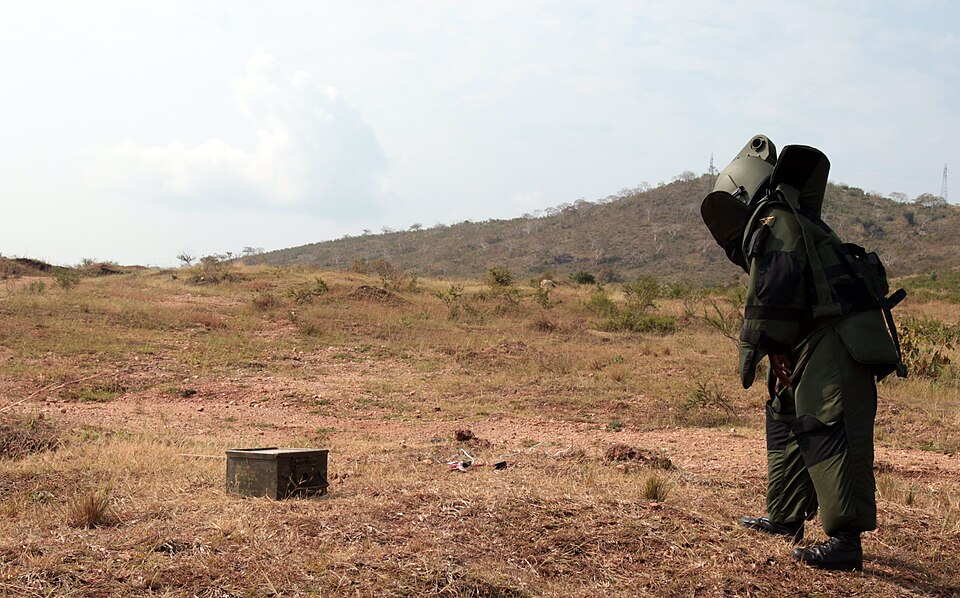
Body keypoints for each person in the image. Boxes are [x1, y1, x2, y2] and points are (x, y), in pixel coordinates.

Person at [700, 135, 905, 571]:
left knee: (830, 427)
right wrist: (777, 351)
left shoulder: (777, 221)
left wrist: (768, 348)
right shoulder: (788, 219)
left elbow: (772, 290)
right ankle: (785, 517)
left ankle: (846, 542)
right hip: (812, 338)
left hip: (834, 341)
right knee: (787, 416)